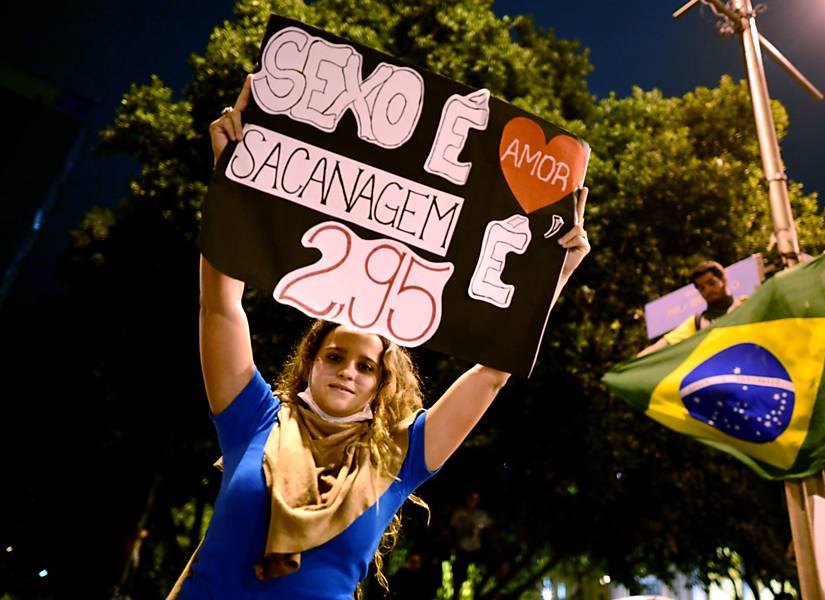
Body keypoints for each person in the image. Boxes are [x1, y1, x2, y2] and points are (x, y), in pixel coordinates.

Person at [169, 76, 592, 599]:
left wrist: (551, 276)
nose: (348, 370)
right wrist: (230, 179)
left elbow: (492, 373)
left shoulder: (403, 453)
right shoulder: (252, 418)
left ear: (382, 383)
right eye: (334, 356)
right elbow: (220, 307)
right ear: (310, 364)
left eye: (366, 366)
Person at [637, 260, 741, 356]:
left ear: (724, 280)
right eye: (702, 288)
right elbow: (663, 344)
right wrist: (632, 364)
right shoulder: (698, 322)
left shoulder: (744, 305)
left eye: (711, 283)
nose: (708, 290)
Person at [447, 491, 494, 599]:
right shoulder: (459, 513)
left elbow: (489, 531)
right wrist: (455, 544)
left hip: (476, 549)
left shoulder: (481, 515)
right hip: (461, 549)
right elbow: (451, 529)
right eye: (471, 498)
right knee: (458, 576)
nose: (473, 501)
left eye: (475, 499)